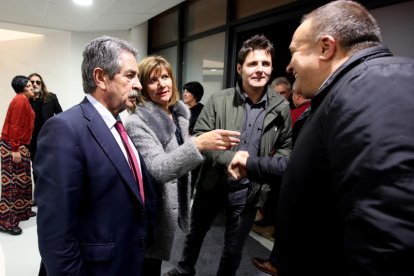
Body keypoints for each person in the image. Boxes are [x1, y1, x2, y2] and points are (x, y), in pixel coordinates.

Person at [276, 1, 414, 275]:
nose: (290, 65)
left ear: (326, 48)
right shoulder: (351, 89)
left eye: (294, 52)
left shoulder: (371, 88)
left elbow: (387, 231)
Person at [165, 34, 292, 276]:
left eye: (265, 64)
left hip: (249, 190)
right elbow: (201, 138)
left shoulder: (281, 107)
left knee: (234, 249)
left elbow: (286, 146)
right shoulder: (219, 100)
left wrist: (263, 166)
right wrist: (231, 159)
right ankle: (184, 269)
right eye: (253, 64)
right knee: (195, 234)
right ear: (239, 68)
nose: (259, 70)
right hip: (212, 184)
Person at [34, 36, 157, 276]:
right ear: (101, 77)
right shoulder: (65, 129)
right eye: (130, 76)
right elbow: (56, 235)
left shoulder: (118, 125)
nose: (139, 85)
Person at [124, 56, 240, 276]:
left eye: (165, 77)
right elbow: (159, 169)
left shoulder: (178, 114)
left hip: (167, 207)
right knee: (145, 265)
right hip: (149, 210)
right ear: (142, 87)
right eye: (153, 80)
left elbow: (182, 158)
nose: (161, 84)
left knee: (154, 263)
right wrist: (198, 143)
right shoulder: (137, 122)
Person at [0, 75, 35, 235]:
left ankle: (22, 211)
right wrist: (14, 148)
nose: (32, 87)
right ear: (22, 87)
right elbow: (14, 125)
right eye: (28, 85)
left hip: (21, 145)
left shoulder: (24, 100)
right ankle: (5, 222)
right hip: (12, 145)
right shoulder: (20, 100)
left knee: (24, 180)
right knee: (12, 184)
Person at [28, 73, 62, 163]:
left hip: (48, 138)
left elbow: (61, 116)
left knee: (50, 165)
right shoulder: (25, 101)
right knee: (36, 166)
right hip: (32, 141)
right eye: (32, 82)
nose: (35, 84)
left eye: (38, 82)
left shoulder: (51, 98)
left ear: (41, 84)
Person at [182, 81, 205, 195]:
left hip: (195, 155)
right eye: (184, 91)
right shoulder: (184, 111)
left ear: (195, 95)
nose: (184, 94)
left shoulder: (202, 111)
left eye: (188, 92)